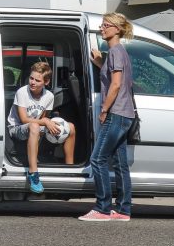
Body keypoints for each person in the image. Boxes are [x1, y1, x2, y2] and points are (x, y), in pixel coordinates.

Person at [79, 12, 135, 222]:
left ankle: (102, 208)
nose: (102, 28)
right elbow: (113, 76)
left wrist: (104, 110)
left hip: (116, 113)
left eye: (106, 25)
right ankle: (123, 210)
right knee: (120, 165)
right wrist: (100, 63)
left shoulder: (116, 52)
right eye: (102, 25)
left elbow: (117, 84)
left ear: (117, 29)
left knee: (98, 159)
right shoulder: (115, 53)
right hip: (124, 114)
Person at [7, 62, 76, 194]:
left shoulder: (49, 96)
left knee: (71, 127)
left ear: (46, 82)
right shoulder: (22, 92)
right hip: (17, 128)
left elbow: (43, 117)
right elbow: (24, 120)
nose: (32, 82)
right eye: (31, 78)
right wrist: (45, 122)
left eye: (37, 80)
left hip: (36, 126)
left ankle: (70, 170)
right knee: (34, 126)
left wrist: (47, 122)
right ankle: (33, 174)